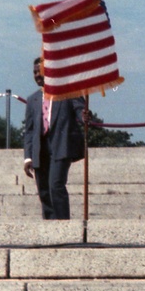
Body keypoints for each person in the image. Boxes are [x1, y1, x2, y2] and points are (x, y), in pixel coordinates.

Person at [23, 57, 86, 220]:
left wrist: (84, 116)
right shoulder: (32, 100)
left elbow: (80, 110)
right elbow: (29, 131)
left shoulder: (68, 92)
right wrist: (28, 157)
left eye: (40, 71)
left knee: (56, 186)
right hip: (40, 149)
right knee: (44, 190)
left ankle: (63, 225)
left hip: (61, 146)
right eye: (34, 72)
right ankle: (50, 226)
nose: (37, 75)